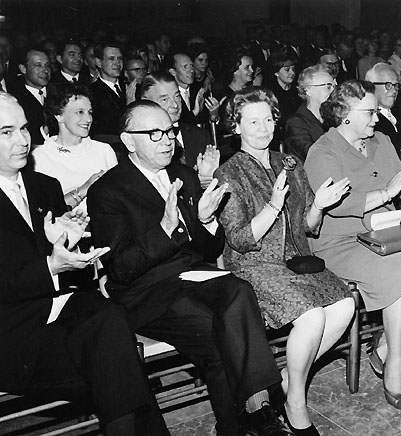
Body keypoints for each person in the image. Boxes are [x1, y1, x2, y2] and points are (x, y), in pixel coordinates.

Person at [87, 100, 294, 436]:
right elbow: (121, 269)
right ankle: (249, 420)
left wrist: (207, 220)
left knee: (240, 289)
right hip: (148, 292)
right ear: (128, 141)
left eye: (169, 131)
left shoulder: (182, 175)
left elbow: (209, 250)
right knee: (219, 335)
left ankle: (258, 410)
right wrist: (164, 231)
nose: (167, 139)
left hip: (193, 276)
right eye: (154, 133)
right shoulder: (108, 191)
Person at [0, 92, 170, 435]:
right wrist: (50, 265)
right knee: (116, 361)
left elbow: (65, 267)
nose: (22, 140)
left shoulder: (43, 186)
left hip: (58, 312)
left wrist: (67, 243)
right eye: (6, 132)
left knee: (110, 325)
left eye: (24, 128)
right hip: (13, 332)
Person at [304, 80, 401, 410]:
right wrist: (388, 191)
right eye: (370, 112)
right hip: (341, 241)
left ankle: (385, 345)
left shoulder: (382, 141)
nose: (376, 118)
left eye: (376, 111)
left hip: (387, 232)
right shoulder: (323, 151)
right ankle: (396, 364)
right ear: (344, 114)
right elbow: (340, 206)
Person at [215, 87, 354, 435]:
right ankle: (296, 403)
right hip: (253, 265)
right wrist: (273, 205)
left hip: (296, 260)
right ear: (236, 126)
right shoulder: (229, 174)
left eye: (268, 120)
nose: (263, 129)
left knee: (344, 306)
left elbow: (307, 226)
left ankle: (286, 381)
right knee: (311, 317)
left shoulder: (288, 163)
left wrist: (319, 204)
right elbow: (240, 239)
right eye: (252, 122)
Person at [32, 82, 116, 210]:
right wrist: (85, 189)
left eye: (90, 112)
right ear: (58, 115)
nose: (88, 119)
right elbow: (45, 210)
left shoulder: (104, 151)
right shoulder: (40, 157)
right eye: (80, 112)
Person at [138, 71, 221, 180]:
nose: (175, 105)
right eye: (165, 99)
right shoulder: (141, 142)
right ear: (146, 102)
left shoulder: (200, 135)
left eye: (177, 96)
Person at [284, 65, 334, 161]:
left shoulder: (335, 117)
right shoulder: (295, 123)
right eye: (328, 87)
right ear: (308, 90)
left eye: (334, 86)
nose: (333, 91)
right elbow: (313, 156)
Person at [10, 46, 51, 146]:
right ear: (23, 68)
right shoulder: (15, 100)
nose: (45, 70)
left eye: (47, 65)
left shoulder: (60, 93)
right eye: (38, 65)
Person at [365, 63, 401, 155]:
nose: (394, 91)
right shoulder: (369, 121)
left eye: (396, 85)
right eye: (388, 85)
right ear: (372, 87)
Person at [89, 41, 126, 139]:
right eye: (111, 58)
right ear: (99, 62)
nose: (117, 63)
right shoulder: (92, 92)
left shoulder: (128, 87)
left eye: (120, 58)